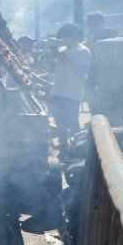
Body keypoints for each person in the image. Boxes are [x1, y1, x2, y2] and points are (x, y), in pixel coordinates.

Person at [51, 22, 90, 156]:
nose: (63, 40)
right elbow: (54, 70)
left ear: (74, 36)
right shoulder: (62, 51)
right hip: (57, 92)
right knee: (59, 123)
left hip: (72, 93)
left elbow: (82, 73)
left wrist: (66, 61)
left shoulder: (83, 51)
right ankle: (63, 150)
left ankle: (77, 151)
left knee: (72, 122)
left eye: (65, 37)